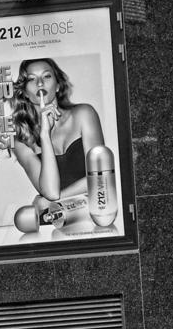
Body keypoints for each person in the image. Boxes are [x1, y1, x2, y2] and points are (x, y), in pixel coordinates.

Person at [12, 58, 104, 213]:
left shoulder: (84, 114)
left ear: (58, 86)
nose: (40, 83)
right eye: (31, 79)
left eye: (47, 76)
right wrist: (45, 136)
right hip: (54, 222)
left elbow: (99, 178)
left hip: (95, 214)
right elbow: (52, 193)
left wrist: (46, 203)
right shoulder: (22, 141)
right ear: (25, 93)